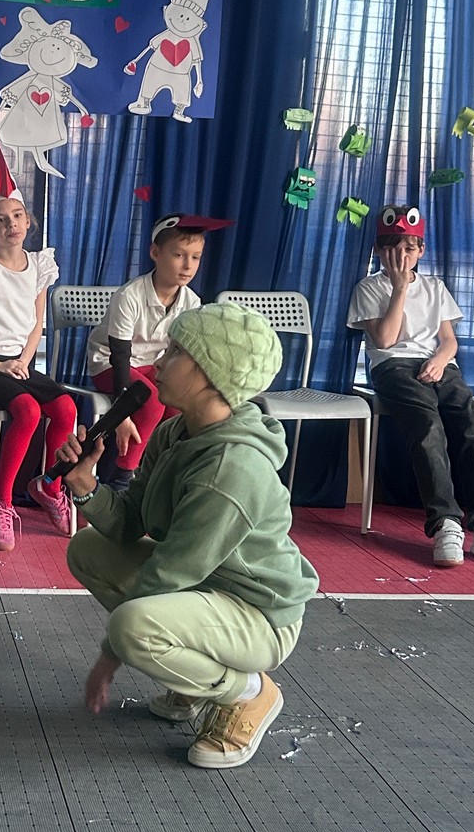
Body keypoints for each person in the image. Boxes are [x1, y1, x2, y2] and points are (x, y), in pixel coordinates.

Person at [58, 302, 319, 770]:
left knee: (131, 627)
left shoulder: (230, 469)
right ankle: (194, 682)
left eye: (176, 351)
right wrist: (86, 487)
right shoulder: (175, 432)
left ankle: (249, 692)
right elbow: (129, 523)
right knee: (88, 549)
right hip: (206, 587)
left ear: (213, 375)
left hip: (259, 615)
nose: (159, 361)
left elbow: (169, 573)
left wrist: (107, 659)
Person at [347, 204, 474, 567]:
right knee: (427, 425)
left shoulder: (434, 287)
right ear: (379, 251)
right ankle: (445, 522)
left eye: (410, 248)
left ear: (421, 250)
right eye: (393, 249)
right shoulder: (369, 287)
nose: (402, 256)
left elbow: (449, 340)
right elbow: (385, 340)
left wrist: (440, 360)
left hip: (439, 365)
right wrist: (398, 289)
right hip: (393, 365)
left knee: (471, 423)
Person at [0, 174, 78, 552]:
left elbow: (37, 323)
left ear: (28, 220)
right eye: (0, 219)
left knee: (66, 408)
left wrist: (24, 360)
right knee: (27, 411)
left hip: (19, 362)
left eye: (17, 216)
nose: (11, 224)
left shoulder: (39, 265)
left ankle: (50, 485)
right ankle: (1, 500)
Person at [86, 213, 232, 490]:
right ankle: (122, 478)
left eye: (196, 257)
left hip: (153, 365)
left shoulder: (191, 301)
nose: (188, 265)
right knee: (151, 401)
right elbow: (119, 356)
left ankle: (160, 474)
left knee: (179, 402)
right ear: (155, 253)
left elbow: (184, 354)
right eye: (179, 255)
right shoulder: (129, 296)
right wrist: (122, 414)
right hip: (111, 364)